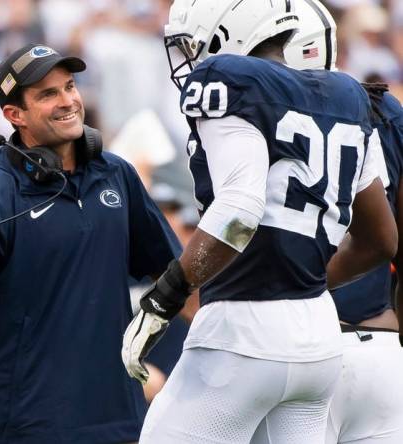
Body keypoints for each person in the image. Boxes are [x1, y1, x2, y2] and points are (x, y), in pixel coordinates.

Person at [122, 0, 398, 442]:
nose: (191, 58)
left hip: (239, 334)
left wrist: (164, 298)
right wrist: (300, 283)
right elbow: (382, 239)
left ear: (224, 32)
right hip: (319, 338)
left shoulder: (228, 80)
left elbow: (238, 211)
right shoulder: (348, 94)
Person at [0, 43, 182, 443]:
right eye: (48, 94)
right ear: (14, 116)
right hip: (30, 425)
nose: (68, 100)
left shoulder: (116, 175)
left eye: (70, 86)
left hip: (119, 416)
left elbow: (173, 271)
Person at [286, 1, 403, 442]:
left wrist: (301, 288)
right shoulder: (384, 111)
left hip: (292, 353)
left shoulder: (251, 117)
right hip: (382, 351)